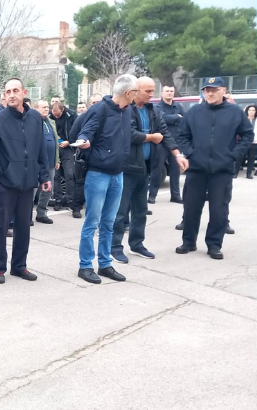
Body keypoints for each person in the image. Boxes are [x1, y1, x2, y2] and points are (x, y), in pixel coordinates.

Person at [110, 77, 187, 264]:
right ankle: (114, 248)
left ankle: (137, 244)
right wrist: (152, 137)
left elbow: (165, 134)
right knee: (120, 212)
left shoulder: (153, 110)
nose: (151, 94)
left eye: (153, 91)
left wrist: (177, 154)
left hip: (145, 168)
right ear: (135, 91)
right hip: (126, 168)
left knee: (141, 210)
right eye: (148, 91)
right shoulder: (126, 110)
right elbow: (129, 134)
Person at [175, 77, 254, 260]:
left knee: (219, 210)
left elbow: (247, 135)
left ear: (223, 91)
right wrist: (190, 153)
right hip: (197, 168)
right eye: (206, 90)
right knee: (191, 208)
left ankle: (214, 245)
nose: (210, 93)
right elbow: (182, 135)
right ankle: (188, 242)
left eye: (214, 89)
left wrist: (233, 155)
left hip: (222, 170)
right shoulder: (195, 112)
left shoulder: (234, 112)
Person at [0, 78, 51, 284]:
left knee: (23, 227)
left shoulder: (35, 118)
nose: (11, 94)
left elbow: (40, 149)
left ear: (24, 92)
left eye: (15, 90)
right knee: (0, 227)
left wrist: (44, 176)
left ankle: (19, 266)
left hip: (28, 183)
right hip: (5, 184)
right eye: (7, 91)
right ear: (4, 95)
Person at [74, 74, 139, 284]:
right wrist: (83, 141)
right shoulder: (100, 109)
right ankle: (85, 266)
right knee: (92, 222)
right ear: (128, 93)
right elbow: (85, 131)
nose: (137, 94)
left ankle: (104, 264)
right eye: (136, 90)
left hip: (117, 174)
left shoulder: (128, 110)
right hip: (98, 174)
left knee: (109, 222)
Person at [67, 93, 103, 218]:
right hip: (84, 155)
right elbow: (72, 135)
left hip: (101, 157)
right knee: (80, 182)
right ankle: (76, 208)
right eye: (93, 103)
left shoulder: (108, 117)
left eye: (99, 101)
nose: (96, 105)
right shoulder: (82, 118)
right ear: (89, 105)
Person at [151, 85, 186, 203]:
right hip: (161, 143)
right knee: (157, 169)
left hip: (175, 143)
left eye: (171, 91)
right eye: (167, 91)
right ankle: (152, 195)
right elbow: (160, 119)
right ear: (162, 93)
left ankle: (175, 196)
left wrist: (172, 118)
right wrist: (176, 117)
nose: (169, 93)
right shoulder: (157, 107)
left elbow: (184, 120)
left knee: (175, 170)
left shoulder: (178, 106)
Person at [33, 100, 60, 224]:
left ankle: (41, 213)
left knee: (48, 189)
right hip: (36, 162)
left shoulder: (51, 122)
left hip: (50, 162)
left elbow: (55, 142)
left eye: (47, 107)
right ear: (36, 108)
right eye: (43, 107)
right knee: (32, 189)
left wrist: (57, 159)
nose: (46, 109)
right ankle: (26, 215)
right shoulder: (32, 122)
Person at [49, 102, 78, 212]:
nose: (56, 117)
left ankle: (70, 201)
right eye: (54, 115)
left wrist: (69, 142)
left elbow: (77, 130)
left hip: (68, 148)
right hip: (56, 148)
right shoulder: (50, 117)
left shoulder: (72, 115)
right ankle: (58, 201)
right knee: (56, 176)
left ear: (63, 110)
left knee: (69, 175)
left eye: (58, 115)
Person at [238, 104, 257, 179]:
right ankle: (235, 173)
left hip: (255, 142)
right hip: (244, 141)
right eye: (250, 110)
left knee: (251, 158)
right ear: (247, 111)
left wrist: (256, 138)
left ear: (256, 111)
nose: (251, 112)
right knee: (240, 157)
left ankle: (249, 174)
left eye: (253, 110)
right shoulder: (244, 119)